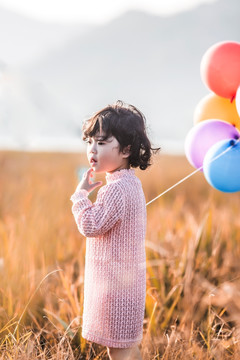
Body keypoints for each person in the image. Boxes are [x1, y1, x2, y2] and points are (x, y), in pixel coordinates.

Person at [70, 101, 159, 360]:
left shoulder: (115, 190)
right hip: (125, 286)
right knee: (127, 348)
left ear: (126, 149)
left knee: (118, 350)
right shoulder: (131, 184)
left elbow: (90, 226)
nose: (93, 149)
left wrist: (80, 197)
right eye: (90, 142)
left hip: (116, 291)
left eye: (102, 142)